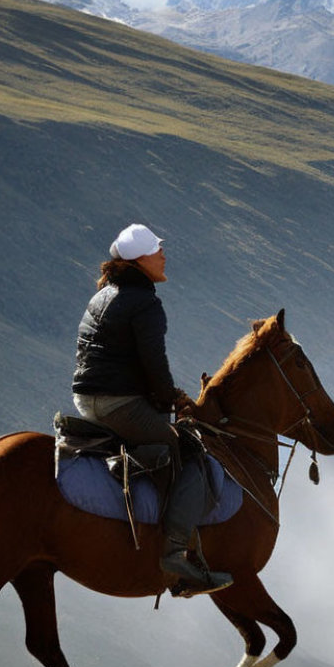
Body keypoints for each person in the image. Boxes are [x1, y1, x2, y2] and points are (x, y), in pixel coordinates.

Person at [72, 223, 233, 596]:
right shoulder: (145, 302)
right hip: (120, 404)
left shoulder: (104, 295)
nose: (163, 255)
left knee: (163, 437)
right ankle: (175, 556)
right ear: (139, 260)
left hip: (89, 400)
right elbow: (154, 366)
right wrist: (175, 402)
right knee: (189, 451)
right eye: (156, 251)